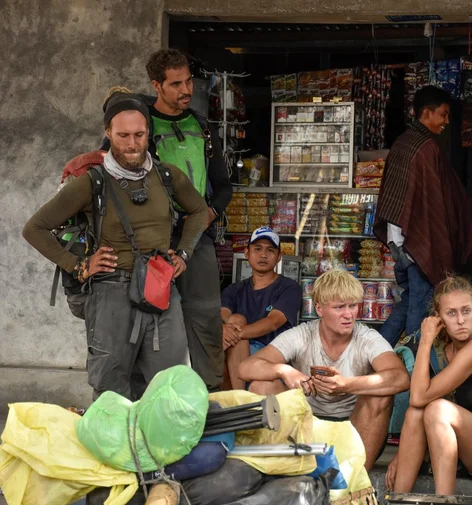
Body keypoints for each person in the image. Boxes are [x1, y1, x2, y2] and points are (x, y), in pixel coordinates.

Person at [23, 94, 208, 400]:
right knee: (112, 393)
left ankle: (160, 448)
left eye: (139, 135)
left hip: (160, 289)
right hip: (111, 293)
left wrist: (185, 252)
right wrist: (80, 266)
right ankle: (115, 448)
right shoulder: (91, 183)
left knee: (172, 390)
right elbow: (35, 228)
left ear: (148, 132)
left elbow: (199, 211)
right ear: (108, 133)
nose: (132, 144)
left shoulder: (166, 176)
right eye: (123, 135)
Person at [238, 269, 410, 470]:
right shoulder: (302, 335)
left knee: (380, 395)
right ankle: (274, 471)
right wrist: (284, 370)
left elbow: (400, 378)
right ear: (319, 309)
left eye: (353, 306)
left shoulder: (367, 338)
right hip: (306, 428)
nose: (348, 315)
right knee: (262, 386)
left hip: (356, 430)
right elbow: (245, 368)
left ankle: (357, 481)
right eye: (339, 307)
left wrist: (347, 385)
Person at [385, 276, 472, 495]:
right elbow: (419, 400)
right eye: (451, 313)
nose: (461, 320)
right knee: (415, 414)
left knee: (435, 409)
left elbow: (420, 396)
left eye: (466, 311)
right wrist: (403, 453)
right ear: (438, 318)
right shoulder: (449, 350)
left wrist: (425, 340)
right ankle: (396, 500)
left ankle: (444, 502)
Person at [144, 49, 233, 392]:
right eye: (176, 83)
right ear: (157, 85)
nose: (186, 90)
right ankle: (154, 399)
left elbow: (224, 186)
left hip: (199, 240)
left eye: (188, 81)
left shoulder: (201, 125)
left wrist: (208, 214)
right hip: (153, 243)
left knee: (207, 320)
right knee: (151, 324)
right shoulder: (142, 126)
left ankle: (209, 399)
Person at [375, 85, 472, 346]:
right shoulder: (426, 147)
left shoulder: (404, 141)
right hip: (417, 244)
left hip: (401, 241)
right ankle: (410, 368)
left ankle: (375, 354)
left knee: (409, 300)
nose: (446, 121)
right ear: (427, 113)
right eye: (443, 114)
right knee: (420, 309)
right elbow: (431, 205)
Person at [221, 226, 303, 390]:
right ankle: (237, 398)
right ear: (246, 252)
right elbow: (221, 316)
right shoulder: (234, 289)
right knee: (230, 324)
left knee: (234, 326)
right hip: (234, 356)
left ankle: (240, 400)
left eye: (270, 250)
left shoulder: (289, 287)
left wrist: (235, 332)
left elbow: (273, 321)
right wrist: (223, 330)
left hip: (270, 356)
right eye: (257, 249)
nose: (263, 255)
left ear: (279, 256)